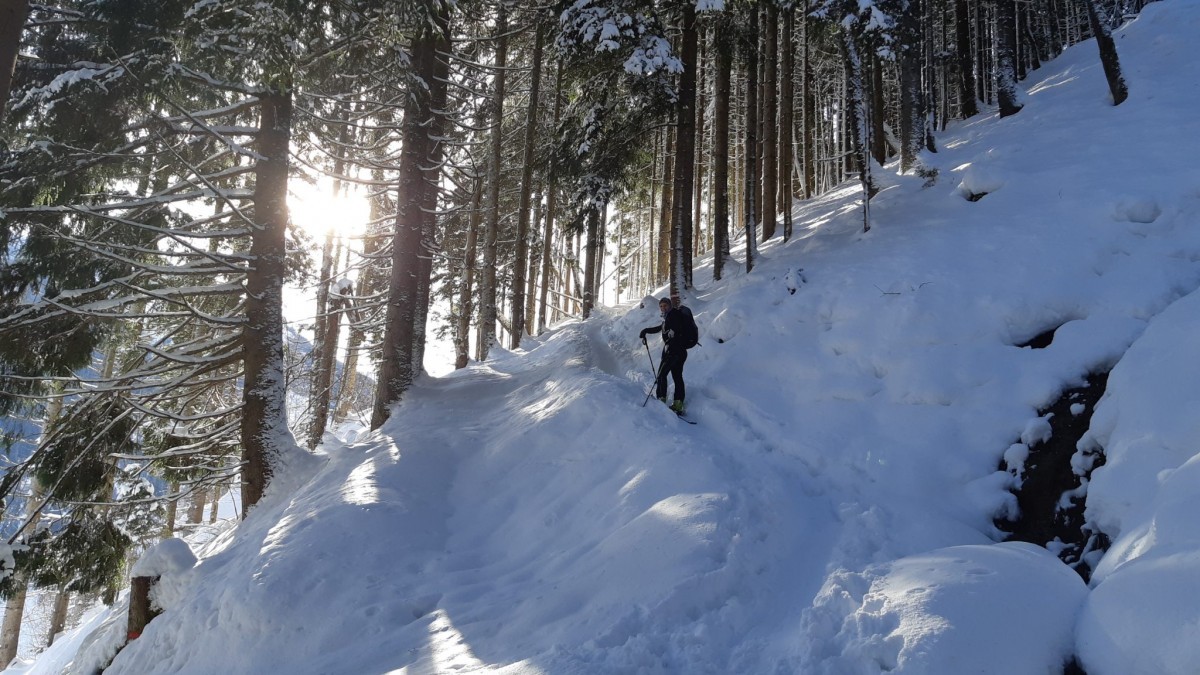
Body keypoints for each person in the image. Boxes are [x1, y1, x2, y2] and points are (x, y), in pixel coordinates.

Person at [639, 296, 693, 414]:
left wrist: (671, 345)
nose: (663, 308)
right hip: (680, 351)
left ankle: (661, 401)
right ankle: (678, 404)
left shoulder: (673, 316)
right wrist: (646, 330)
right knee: (677, 376)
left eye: (665, 305)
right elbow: (661, 328)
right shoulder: (670, 316)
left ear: (670, 305)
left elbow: (676, 331)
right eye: (661, 306)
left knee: (662, 374)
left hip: (673, 351)